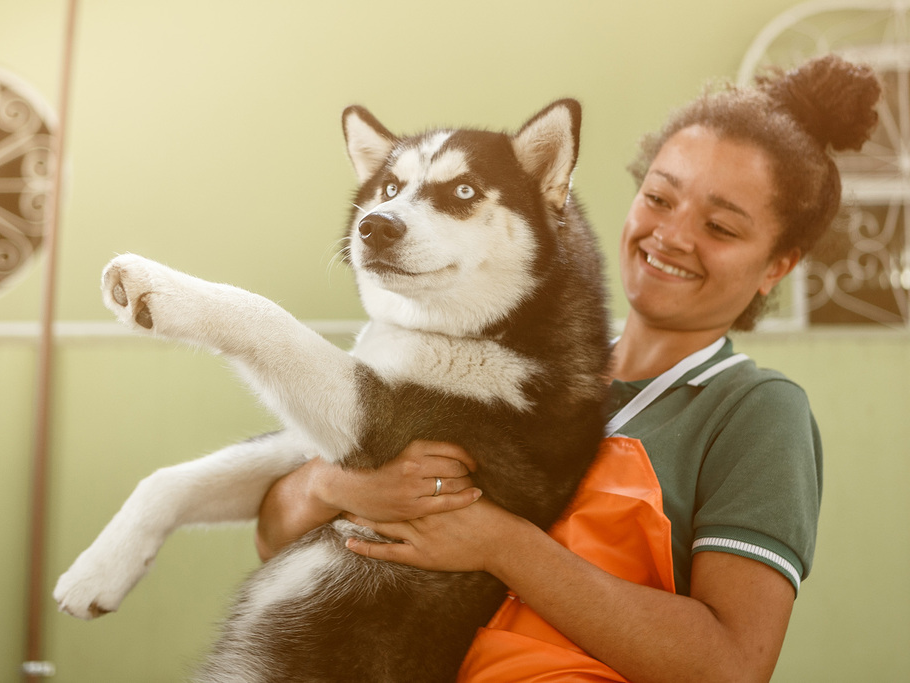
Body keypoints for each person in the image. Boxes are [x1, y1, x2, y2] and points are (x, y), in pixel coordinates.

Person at [255, 55, 881, 682]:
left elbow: (731, 667)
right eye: (659, 198)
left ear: (776, 265)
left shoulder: (754, 411)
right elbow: (275, 539)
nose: (671, 235)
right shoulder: (488, 364)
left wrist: (500, 543)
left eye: (719, 227)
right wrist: (332, 486)